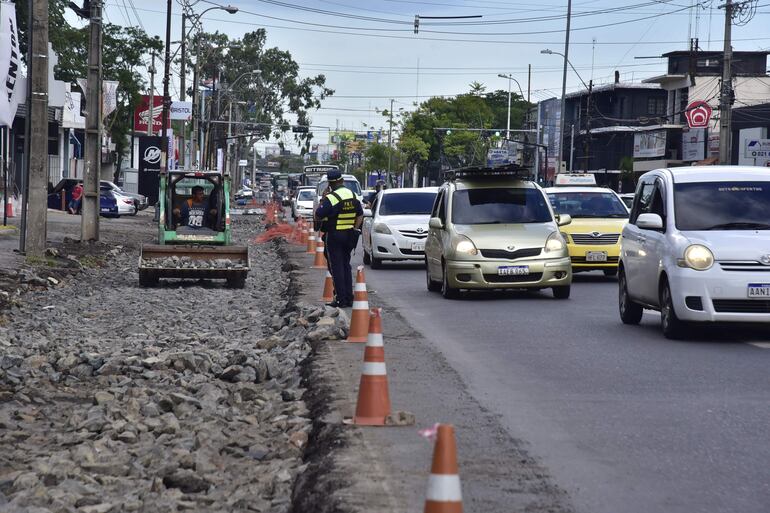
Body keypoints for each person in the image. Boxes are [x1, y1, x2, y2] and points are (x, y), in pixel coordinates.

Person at [314, 170, 363, 308]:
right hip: (349, 235)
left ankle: (341, 299)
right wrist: (355, 229)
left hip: (335, 236)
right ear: (342, 181)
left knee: (336, 268)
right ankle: (348, 297)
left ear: (330, 183)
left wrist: (323, 199)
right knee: (346, 266)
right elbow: (360, 214)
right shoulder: (352, 195)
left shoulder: (332, 198)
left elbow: (318, 214)